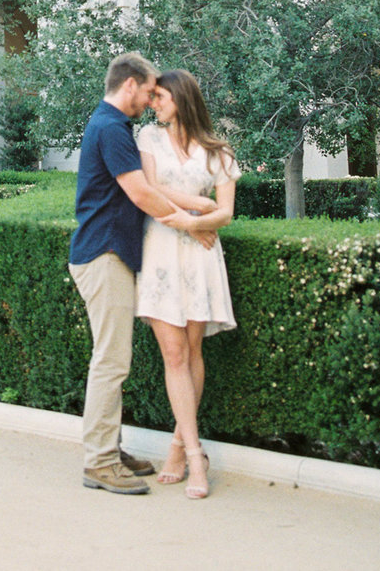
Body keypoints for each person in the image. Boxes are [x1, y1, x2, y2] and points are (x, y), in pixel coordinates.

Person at [69, 52, 216, 495]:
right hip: (104, 253)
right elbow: (141, 194)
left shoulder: (110, 125)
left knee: (112, 358)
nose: (152, 99)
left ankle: (109, 450)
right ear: (129, 85)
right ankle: (99, 462)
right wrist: (190, 222)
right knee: (111, 362)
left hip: (107, 252)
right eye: (150, 91)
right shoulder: (111, 127)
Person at [135, 69, 241, 499]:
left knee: (192, 351)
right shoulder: (148, 139)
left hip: (199, 258)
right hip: (160, 251)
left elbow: (226, 213)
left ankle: (179, 445)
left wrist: (193, 221)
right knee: (173, 353)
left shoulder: (218, 151)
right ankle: (197, 457)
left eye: (159, 97)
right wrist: (196, 208)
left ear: (180, 97)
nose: (153, 103)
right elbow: (149, 187)